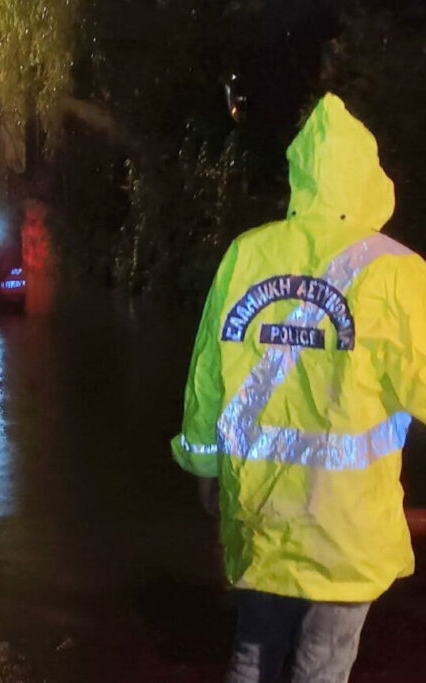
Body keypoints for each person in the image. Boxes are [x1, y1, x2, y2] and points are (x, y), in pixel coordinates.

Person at [172, 92, 426, 682]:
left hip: (263, 516)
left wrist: (206, 472)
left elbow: (207, 378)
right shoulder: (397, 274)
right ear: (368, 177)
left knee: (253, 652)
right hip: (347, 527)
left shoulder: (247, 256)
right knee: (320, 669)